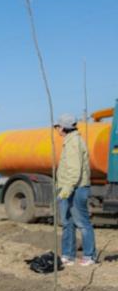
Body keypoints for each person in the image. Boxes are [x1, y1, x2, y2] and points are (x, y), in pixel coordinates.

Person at [55, 113, 96, 266]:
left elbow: (74, 170)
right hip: (70, 187)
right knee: (68, 222)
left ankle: (89, 255)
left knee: (81, 222)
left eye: (57, 126)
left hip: (76, 188)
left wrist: (66, 189)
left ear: (63, 127)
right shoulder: (70, 141)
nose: (56, 129)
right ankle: (67, 255)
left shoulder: (73, 143)